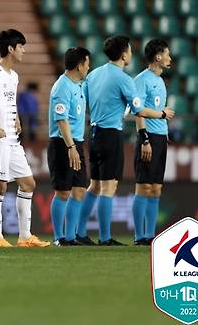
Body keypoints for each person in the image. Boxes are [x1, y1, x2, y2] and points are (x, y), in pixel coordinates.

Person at [76, 35, 174, 246]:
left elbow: (84, 97)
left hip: (93, 132)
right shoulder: (125, 79)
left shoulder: (93, 74)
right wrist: (162, 114)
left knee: (94, 185)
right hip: (110, 134)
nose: (131, 53)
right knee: (108, 187)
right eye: (129, 50)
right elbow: (138, 110)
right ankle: (104, 238)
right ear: (123, 54)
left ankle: (79, 231)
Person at [0, 29, 50, 248]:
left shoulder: (13, 76)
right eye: (21, 46)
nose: (24, 50)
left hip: (12, 138)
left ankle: (25, 237)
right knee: (0, 185)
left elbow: (8, 102)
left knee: (28, 183)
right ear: (10, 49)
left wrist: (15, 119)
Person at [48, 47, 91, 246]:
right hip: (62, 144)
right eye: (87, 63)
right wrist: (70, 147)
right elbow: (61, 120)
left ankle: (71, 236)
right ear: (79, 65)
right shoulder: (62, 87)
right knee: (63, 191)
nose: (89, 67)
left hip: (76, 143)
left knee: (79, 189)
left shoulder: (79, 85)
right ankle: (59, 237)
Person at [132, 40, 173, 245]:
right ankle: (139, 236)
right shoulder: (142, 79)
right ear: (158, 57)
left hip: (160, 139)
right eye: (167, 54)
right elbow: (137, 111)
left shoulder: (160, 80)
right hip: (147, 138)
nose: (170, 58)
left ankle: (150, 235)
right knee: (143, 188)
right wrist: (144, 138)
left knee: (156, 188)